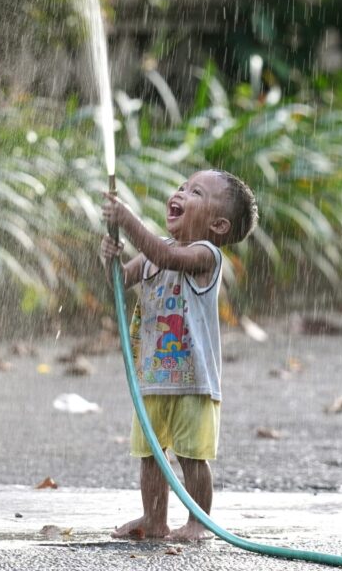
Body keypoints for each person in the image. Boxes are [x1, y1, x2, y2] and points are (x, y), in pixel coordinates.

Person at [98, 169, 258, 541]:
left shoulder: (206, 255)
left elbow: (167, 256)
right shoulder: (153, 253)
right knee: (151, 455)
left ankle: (198, 521)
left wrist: (127, 220)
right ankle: (154, 520)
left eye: (196, 192)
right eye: (184, 186)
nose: (182, 193)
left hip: (193, 380)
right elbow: (122, 281)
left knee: (191, 456)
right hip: (154, 376)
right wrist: (109, 260)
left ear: (217, 224)